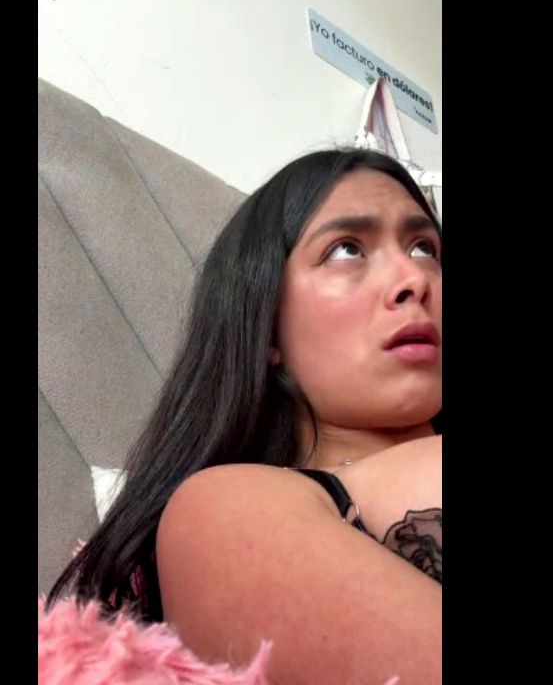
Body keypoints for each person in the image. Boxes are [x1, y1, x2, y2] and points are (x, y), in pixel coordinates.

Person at [47, 148, 442, 684]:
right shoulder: (223, 509)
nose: (413, 278)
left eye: (425, 248)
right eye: (346, 249)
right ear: (266, 323)